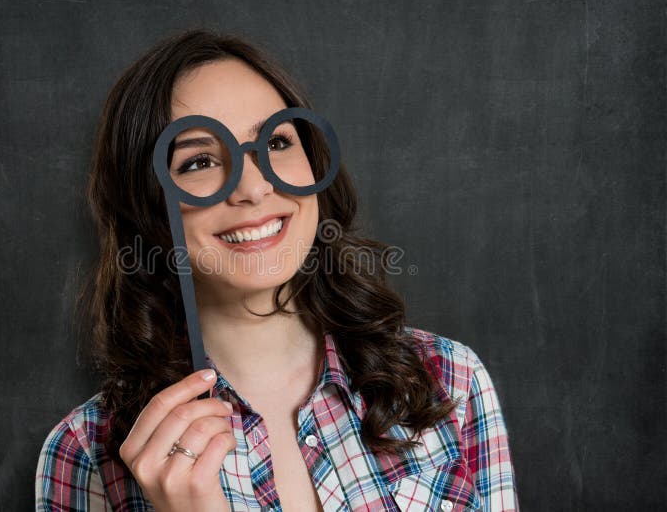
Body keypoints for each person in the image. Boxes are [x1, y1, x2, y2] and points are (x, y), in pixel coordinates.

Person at [35, 28, 519, 512]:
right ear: (146, 206)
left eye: (277, 141)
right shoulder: (86, 454)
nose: (253, 187)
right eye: (199, 161)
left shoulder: (448, 379)